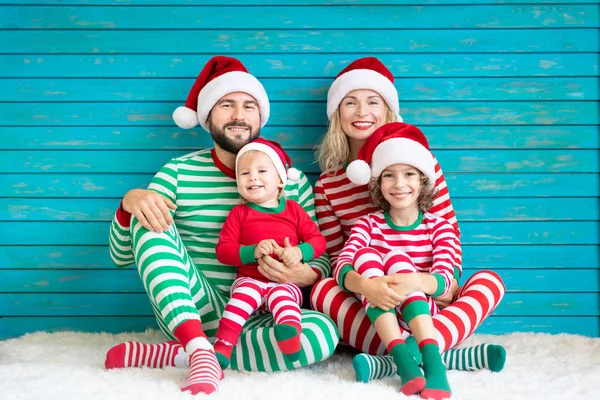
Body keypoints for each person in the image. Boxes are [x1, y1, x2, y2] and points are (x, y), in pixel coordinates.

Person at [103, 56, 337, 395]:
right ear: (207, 116)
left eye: (249, 106)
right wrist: (129, 205)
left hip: (266, 313)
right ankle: (197, 346)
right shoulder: (178, 173)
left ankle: (186, 357)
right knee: (148, 213)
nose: (239, 115)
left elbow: (322, 258)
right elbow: (121, 257)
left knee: (321, 334)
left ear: (261, 117)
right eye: (226, 105)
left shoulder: (292, 180)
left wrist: (302, 273)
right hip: (194, 310)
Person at [309, 57, 506, 382]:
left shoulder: (421, 163)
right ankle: (434, 353)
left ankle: (398, 358)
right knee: (321, 289)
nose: (362, 112)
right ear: (336, 113)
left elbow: (449, 243)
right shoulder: (328, 185)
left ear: (388, 109)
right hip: (371, 298)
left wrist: (424, 283)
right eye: (350, 102)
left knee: (489, 282)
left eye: (373, 101)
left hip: (427, 290)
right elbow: (335, 259)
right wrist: (368, 286)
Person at [341, 122, 456, 399]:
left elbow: (444, 279)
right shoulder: (368, 224)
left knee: (396, 258)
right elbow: (343, 265)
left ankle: (431, 362)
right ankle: (403, 358)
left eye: (409, 174)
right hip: (379, 311)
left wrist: (410, 281)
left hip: (423, 313)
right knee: (365, 255)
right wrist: (368, 286)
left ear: (423, 181)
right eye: (389, 175)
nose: (399, 184)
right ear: (379, 184)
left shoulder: (439, 226)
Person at [213, 138, 326, 368]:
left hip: (284, 283)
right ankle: (223, 346)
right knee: (240, 300)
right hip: (249, 280)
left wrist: (298, 252)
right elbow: (223, 251)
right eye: (244, 173)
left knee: (285, 300)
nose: (252, 177)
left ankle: (289, 338)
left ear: (281, 181)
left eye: (262, 170)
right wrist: (251, 252)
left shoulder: (294, 210)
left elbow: (318, 241)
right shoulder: (239, 214)